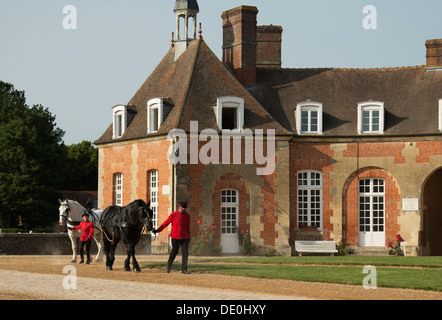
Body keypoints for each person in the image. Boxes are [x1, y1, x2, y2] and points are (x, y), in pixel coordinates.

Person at [153, 201, 191, 274]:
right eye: (182, 207)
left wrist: (188, 236)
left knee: (185, 253)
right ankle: (169, 265)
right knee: (174, 252)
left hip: (185, 237)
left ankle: (184, 269)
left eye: (185, 207)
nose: (183, 209)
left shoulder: (187, 216)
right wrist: (157, 230)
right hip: (175, 236)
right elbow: (165, 223)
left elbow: (188, 227)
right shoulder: (173, 214)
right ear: (179, 207)